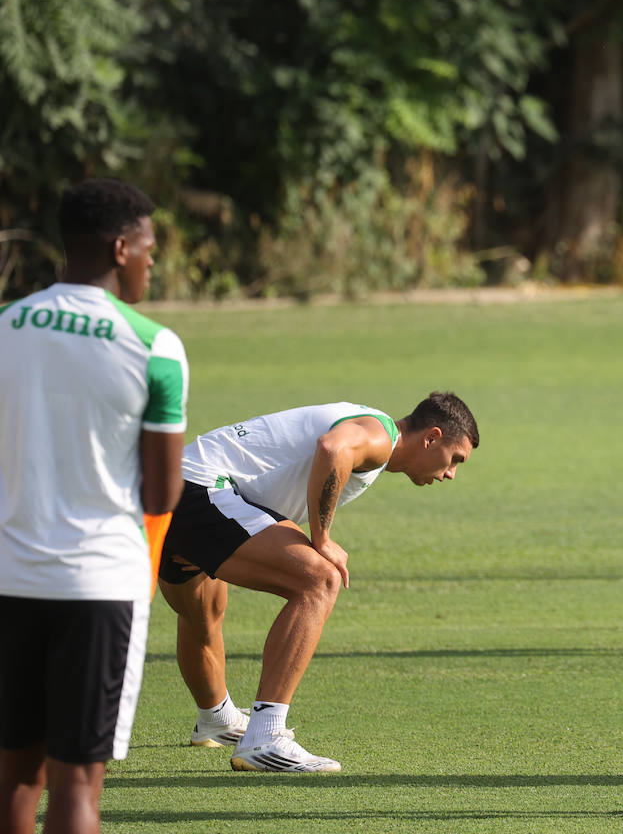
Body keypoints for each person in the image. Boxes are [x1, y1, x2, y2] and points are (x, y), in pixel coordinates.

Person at [0, 179, 188, 833]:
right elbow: (162, 493)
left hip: (9, 576)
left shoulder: (7, 326)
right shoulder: (154, 347)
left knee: (14, 775)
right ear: (119, 247)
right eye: (148, 249)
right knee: (76, 783)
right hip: (99, 580)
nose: (150, 263)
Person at [156, 393, 479, 773]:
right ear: (432, 437)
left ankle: (217, 718)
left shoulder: (368, 425)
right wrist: (321, 537)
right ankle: (265, 737)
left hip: (170, 485)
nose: (450, 473)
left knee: (202, 610)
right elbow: (333, 448)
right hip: (202, 489)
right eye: (454, 459)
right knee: (319, 580)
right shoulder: (380, 435)